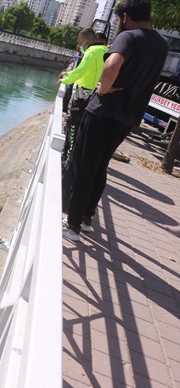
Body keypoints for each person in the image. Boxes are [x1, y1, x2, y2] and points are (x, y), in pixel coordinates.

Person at [62, 0, 168, 241]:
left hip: (103, 112)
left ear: (125, 17)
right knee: (100, 166)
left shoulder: (128, 37)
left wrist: (103, 89)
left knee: (83, 165)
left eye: (119, 19)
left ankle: (73, 226)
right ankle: (87, 218)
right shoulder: (161, 44)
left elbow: (111, 65)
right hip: (127, 118)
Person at [58, 28, 108, 161]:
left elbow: (81, 70)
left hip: (82, 95)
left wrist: (65, 79)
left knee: (73, 126)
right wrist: (68, 74)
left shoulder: (92, 51)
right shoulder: (103, 50)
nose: (79, 46)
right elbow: (88, 71)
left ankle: (67, 159)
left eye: (80, 42)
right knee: (79, 127)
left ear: (86, 42)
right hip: (91, 94)